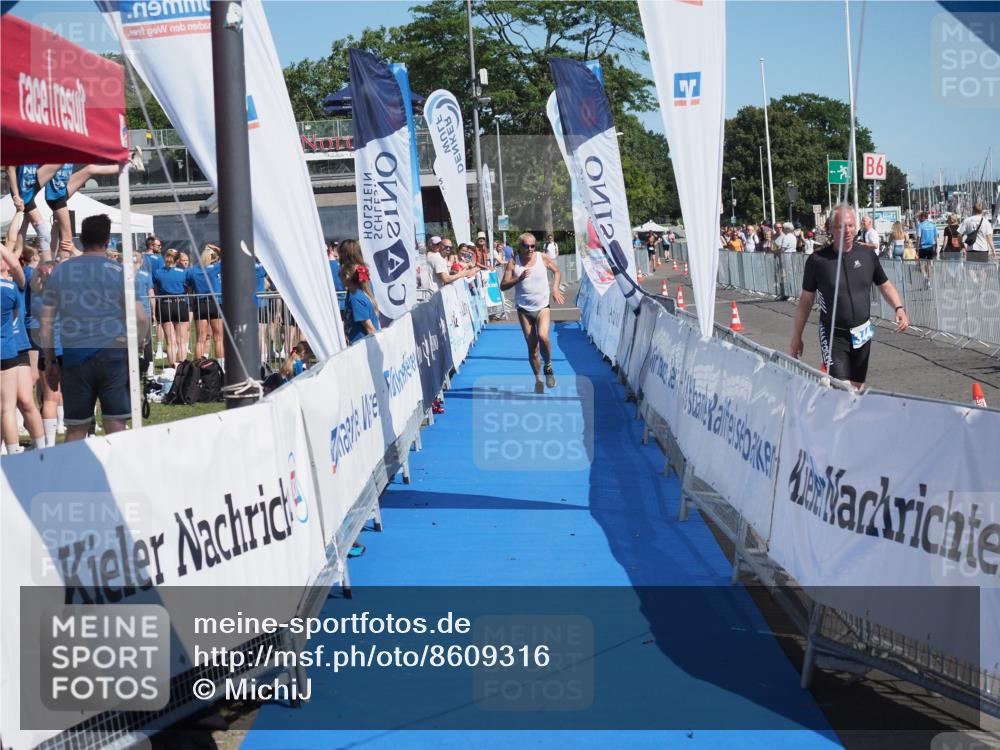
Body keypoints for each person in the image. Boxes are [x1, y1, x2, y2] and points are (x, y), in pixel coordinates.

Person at [40, 214, 147, 441]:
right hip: (113, 353)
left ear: (81, 239)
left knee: (76, 429)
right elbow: (140, 318)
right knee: (116, 424)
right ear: (108, 240)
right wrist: (138, 345)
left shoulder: (61, 271)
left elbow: (46, 322)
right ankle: (119, 475)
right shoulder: (120, 272)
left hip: (75, 356)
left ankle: (72, 476)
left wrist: (50, 361)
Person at [790, 205, 908, 390]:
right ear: (830, 228)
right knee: (844, 390)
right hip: (833, 334)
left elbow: (885, 285)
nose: (847, 231)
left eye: (851, 225)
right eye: (841, 226)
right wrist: (797, 336)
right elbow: (806, 301)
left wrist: (899, 308)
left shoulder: (867, 255)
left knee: (858, 388)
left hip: (863, 332)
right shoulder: (818, 261)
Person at [500, 232, 564, 393]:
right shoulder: (514, 262)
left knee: (543, 336)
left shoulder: (542, 257)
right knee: (533, 348)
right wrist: (518, 279)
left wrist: (555, 289)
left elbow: (556, 271)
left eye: (532, 246)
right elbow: (503, 285)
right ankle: (538, 379)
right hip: (524, 309)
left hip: (542, 306)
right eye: (526, 246)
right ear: (519, 247)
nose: (529, 249)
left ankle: (548, 366)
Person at [4, 164, 52, 261]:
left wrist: (21, 214)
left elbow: (13, 244)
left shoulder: (9, 264)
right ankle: (48, 265)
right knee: (44, 233)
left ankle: (48, 264)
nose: (38, 255)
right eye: (38, 254)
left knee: (44, 233)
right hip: (23, 190)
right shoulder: (10, 264)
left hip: (24, 186)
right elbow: (13, 244)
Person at [153, 249, 190, 365]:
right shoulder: (183, 272)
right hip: (180, 304)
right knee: (181, 341)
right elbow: (187, 287)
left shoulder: (158, 272)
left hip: (165, 305)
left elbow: (155, 288)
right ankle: (182, 368)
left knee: (170, 341)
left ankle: (172, 367)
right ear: (178, 260)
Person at [188, 245, 223, 361]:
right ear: (213, 257)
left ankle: (198, 365)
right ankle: (221, 364)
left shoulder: (193, 271)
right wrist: (218, 249)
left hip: (200, 304)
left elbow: (187, 283)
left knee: (200, 338)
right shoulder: (215, 268)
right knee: (218, 338)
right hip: (215, 304)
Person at [340, 261, 380, 343]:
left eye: (340, 275)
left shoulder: (356, 298)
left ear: (346, 277)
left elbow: (370, 328)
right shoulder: (353, 294)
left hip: (363, 346)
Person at [915, 211, 938, 287]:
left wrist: (917, 249)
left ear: (922, 217)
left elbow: (918, 238)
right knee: (929, 265)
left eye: (919, 217)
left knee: (921, 264)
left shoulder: (920, 226)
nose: (918, 219)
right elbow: (935, 237)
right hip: (931, 247)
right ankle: (929, 280)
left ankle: (925, 277)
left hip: (922, 247)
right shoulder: (933, 225)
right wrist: (936, 248)